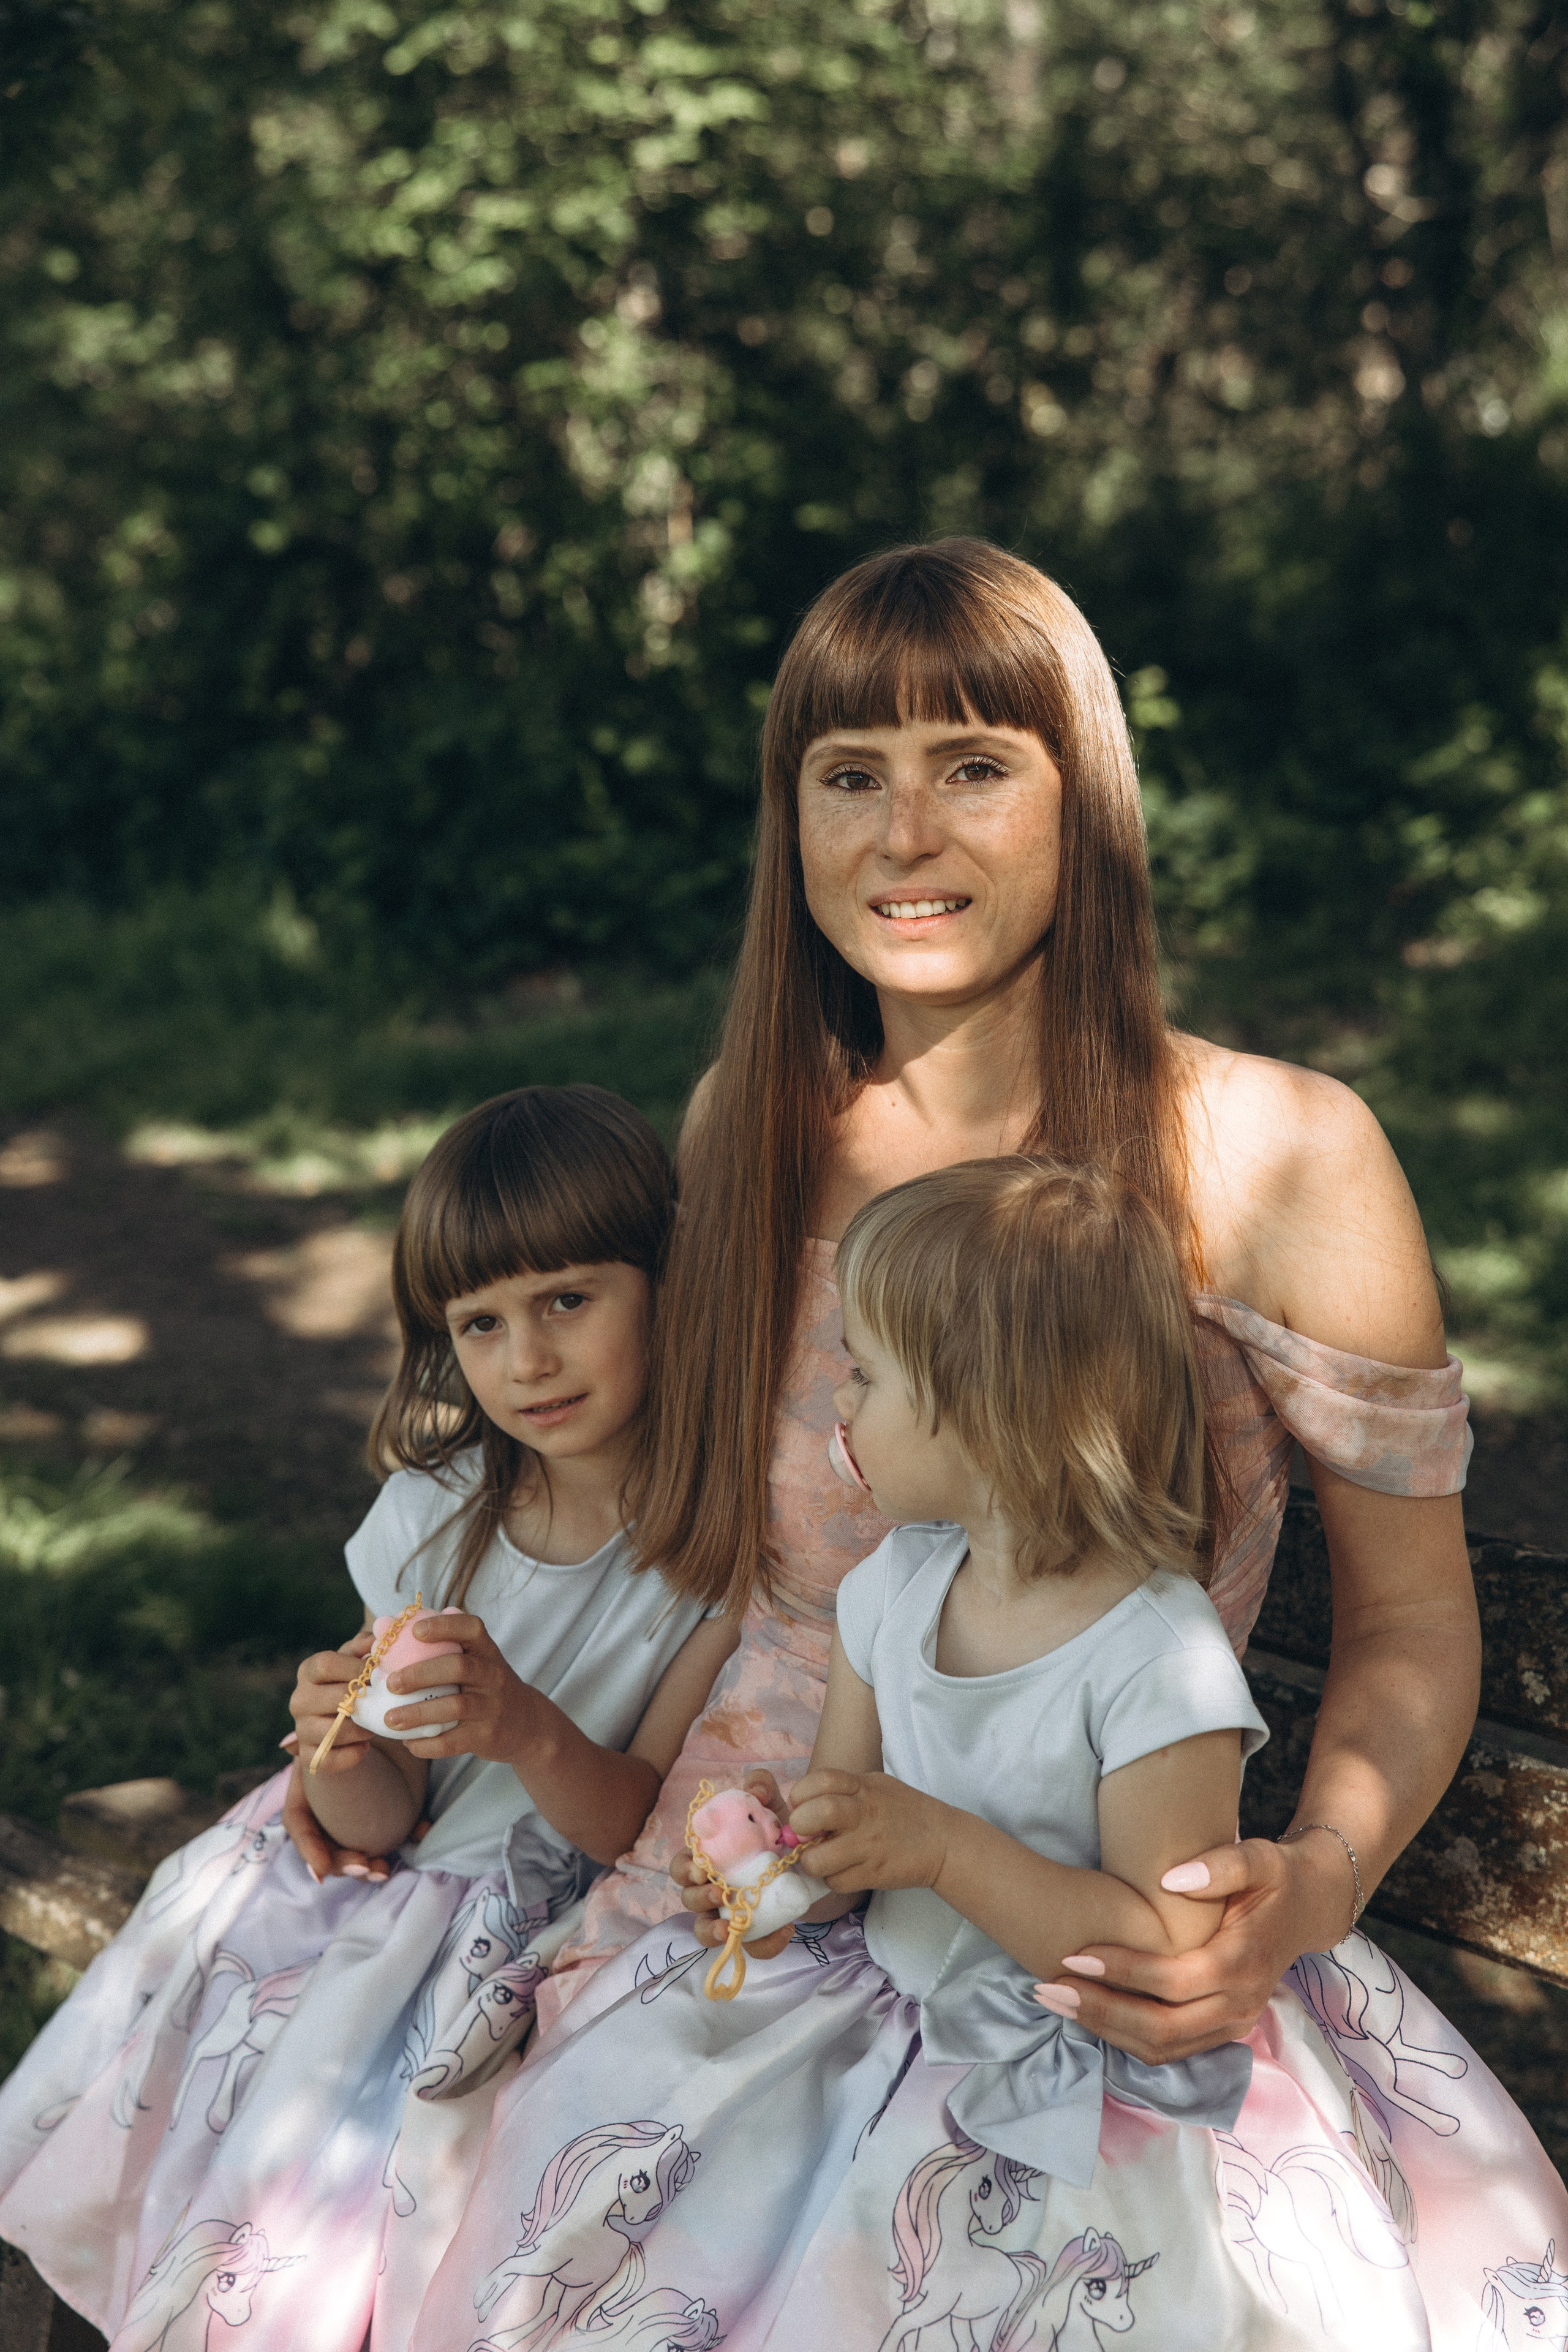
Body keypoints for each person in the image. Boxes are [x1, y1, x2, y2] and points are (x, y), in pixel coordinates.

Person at [534, 537, 1480, 2079]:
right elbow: (685, 1552)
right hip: (724, 1885)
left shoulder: (1275, 1155)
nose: (903, 834)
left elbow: (1415, 1620)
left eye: (970, 765)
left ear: (1079, 799)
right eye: (849, 775)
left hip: (1077, 1936)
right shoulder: (752, 1120)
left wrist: (1309, 1883)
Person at [415, 1160, 1565, 2351]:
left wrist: (944, 1850)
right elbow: (853, 1846)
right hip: (877, 2013)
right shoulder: (889, 1591)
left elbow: (1164, 1940)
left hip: (1089, 2046)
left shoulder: (1149, 1655)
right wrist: (786, 1848)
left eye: (866, 1375)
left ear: (986, 1409)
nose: (839, 1408)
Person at [0, 1085, 737, 2352]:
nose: (528, 1360)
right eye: (482, 1322)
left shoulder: (713, 1553)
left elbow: (631, 1820)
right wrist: (337, 1744)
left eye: (570, 1299)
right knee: (213, 2093)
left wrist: (527, 1733)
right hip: (378, 1890)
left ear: (671, 1286)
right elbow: (375, 1820)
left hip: (551, 1916)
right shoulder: (436, 1514)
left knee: (364, 2189)